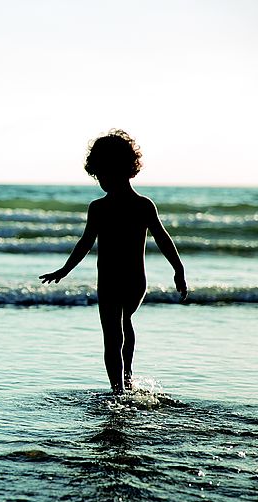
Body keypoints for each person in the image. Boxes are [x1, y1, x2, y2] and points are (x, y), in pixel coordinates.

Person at [39, 129, 187, 393]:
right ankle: (126, 381)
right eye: (98, 176)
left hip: (113, 281)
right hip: (132, 282)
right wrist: (64, 270)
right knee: (123, 325)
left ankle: (118, 390)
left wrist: (179, 270)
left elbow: (162, 239)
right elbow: (85, 244)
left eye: (103, 174)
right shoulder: (137, 204)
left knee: (112, 334)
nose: (101, 181)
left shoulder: (113, 207)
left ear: (121, 169)